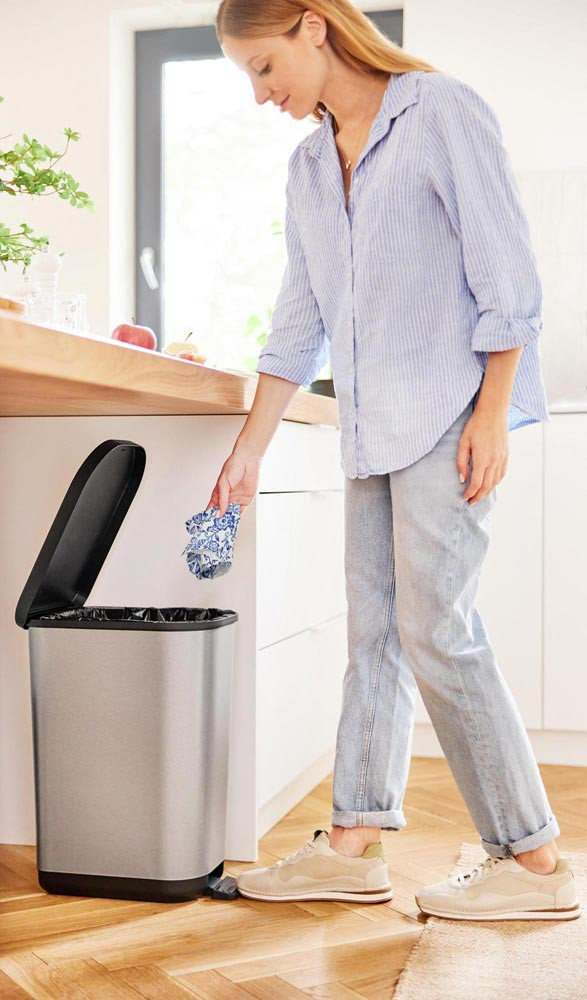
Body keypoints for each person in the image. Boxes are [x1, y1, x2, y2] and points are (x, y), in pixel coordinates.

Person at [207, 0, 581, 921]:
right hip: (367, 425)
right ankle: (353, 844)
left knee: (437, 631)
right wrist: (249, 447)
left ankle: (532, 862)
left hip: (446, 413)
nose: (259, 94)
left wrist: (491, 416)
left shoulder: (437, 111)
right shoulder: (308, 165)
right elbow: (300, 315)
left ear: (313, 26)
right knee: (372, 635)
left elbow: (507, 277)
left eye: (262, 67)